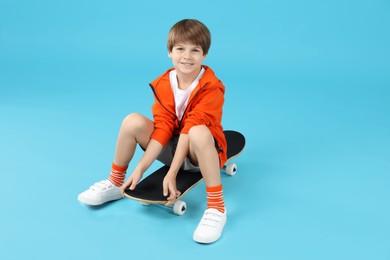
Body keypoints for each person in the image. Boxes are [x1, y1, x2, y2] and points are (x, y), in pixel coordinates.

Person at [78, 19, 228, 244]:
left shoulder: (211, 87)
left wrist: (172, 173)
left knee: (197, 130)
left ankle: (217, 207)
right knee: (133, 121)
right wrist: (140, 169)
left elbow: (188, 131)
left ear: (204, 55)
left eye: (194, 50)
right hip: (173, 147)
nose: (187, 56)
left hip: (200, 153)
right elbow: (164, 127)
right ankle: (116, 181)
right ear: (169, 52)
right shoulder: (164, 84)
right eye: (180, 49)